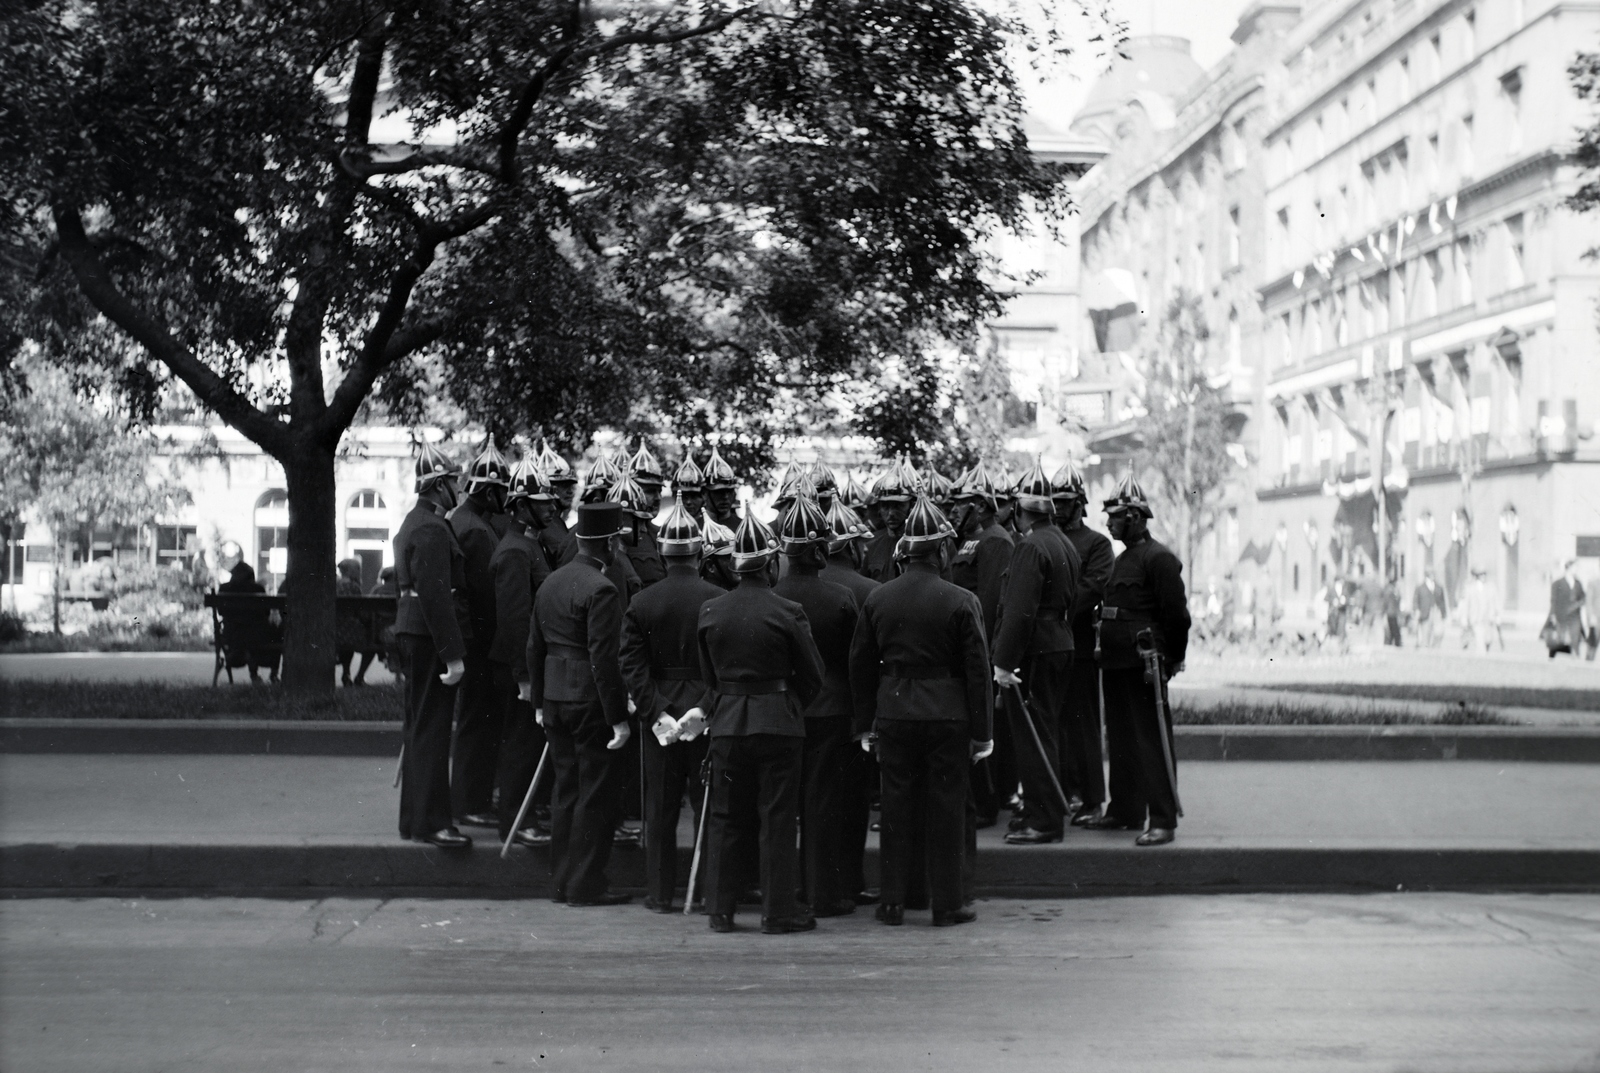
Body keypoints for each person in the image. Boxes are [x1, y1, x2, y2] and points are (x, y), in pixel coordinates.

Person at [850, 493, 992, 927]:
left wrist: (863, 723)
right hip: (947, 714)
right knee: (947, 809)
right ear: (943, 550)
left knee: (896, 808)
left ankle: (893, 901)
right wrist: (983, 732)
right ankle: (946, 904)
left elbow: (860, 664)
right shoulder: (961, 599)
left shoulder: (879, 598)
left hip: (894, 712)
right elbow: (978, 672)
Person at [697, 509, 825, 934]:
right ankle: (777, 912)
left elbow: (709, 677)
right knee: (777, 819)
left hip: (729, 722)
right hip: (778, 721)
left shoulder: (711, 610)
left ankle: (720, 910)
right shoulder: (788, 610)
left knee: (725, 817)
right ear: (771, 563)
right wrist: (786, 703)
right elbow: (813, 675)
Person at [521, 501, 634, 906]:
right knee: (594, 795)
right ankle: (586, 884)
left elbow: (534, 646)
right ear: (609, 543)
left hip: (553, 698)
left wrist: (537, 700)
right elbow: (605, 659)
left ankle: (562, 882)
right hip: (588, 701)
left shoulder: (551, 582)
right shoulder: (602, 589)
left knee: (566, 792)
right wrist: (618, 717)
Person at [618, 496, 722, 912]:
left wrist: (657, 711)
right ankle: (705, 888)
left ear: (662, 555)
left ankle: (659, 894)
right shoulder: (717, 597)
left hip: (659, 713)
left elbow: (631, 663)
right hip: (702, 713)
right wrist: (703, 707)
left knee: (659, 810)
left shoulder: (642, 601)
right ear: (699, 553)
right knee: (706, 809)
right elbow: (724, 664)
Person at [1083, 475, 1191, 846]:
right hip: (1114, 661)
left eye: (1114, 516)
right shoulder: (1123, 559)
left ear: (1134, 517)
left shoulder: (1158, 559)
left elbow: (1176, 616)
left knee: (1151, 741)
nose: (1109, 523)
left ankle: (1162, 819)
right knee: (1122, 740)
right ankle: (1125, 810)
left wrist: (1173, 658)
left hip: (1144, 664)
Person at [774, 492, 861, 918]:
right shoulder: (841, 596)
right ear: (821, 550)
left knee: (782, 807)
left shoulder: (772, 594)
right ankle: (823, 893)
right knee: (824, 806)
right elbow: (854, 660)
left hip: (785, 710)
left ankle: (787, 892)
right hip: (830, 710)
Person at [990, 458, 1081, 845]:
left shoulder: (1030, 547)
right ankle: (1042, 811)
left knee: (1033, 736)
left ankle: (1044, 820)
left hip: (1035, 650)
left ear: (1019, 510)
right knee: (1046, 731)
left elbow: (1019, 611)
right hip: (1058, 641)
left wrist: (1004, 662)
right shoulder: (1061, 542)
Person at [393, 444, 472, 848]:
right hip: (427, 636)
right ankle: (431, 821)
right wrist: (453, 654)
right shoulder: (431, 528)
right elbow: (437, 596)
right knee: (432, 729)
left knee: (421, 726)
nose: (458, 486)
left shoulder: (418, 522)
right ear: (440, 486)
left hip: (415, 632)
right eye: (453, 481)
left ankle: (415, 818)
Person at [817, 496, 880, 904]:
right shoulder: (870, 590)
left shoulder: (790, 586)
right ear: (854, 547)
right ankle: (849, 883)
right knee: (851, 804)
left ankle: (818, 884)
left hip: (803, 706)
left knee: (814, 802)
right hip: (850, 710)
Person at [449, 437, 513, 830]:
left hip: (475, 641)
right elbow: (486, 595)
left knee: (478, 721)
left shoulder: (467, 520)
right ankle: (469, 801)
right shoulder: (474, 529)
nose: (504, 500)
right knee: (478, 722)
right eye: (501, 492)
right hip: (481, 643)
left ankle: (470, 798)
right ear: (488, 490)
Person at [947, 461, 1015, 827]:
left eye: (963, 503)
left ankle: (987, 804)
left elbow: (988, 602)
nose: (955, 509)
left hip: (978, 648)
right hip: (962, 646)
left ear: (983, 506)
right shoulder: (970, 539)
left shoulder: (995, 541)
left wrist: (981, 651)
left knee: (982, 728)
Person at [492, 459, 555, 845]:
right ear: (520, 504)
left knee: (527, 743)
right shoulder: (516, 551)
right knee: (520, 743)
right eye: (540, 501)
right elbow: (515, 621)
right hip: (520, 665)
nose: (550, 507)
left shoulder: (529, 543)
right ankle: (515, 822)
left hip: (532, 661)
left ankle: (523, 815)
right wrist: (524, 676)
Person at [1052, 459, 1115, 828]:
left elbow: (1092, 588)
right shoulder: (1044, 538)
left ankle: (1092, 799)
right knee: (1055, 723)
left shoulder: (1096, 543)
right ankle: (1064, 792)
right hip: (1048, 645)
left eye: (1066, 501)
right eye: (1054, 501)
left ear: (1080, 503)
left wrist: (1055, 610)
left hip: (1078, 644)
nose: (1059, 508)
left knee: (1084, 724)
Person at [217, 561, 280, 683]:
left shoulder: (224, 588)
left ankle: (252, 670)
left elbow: (220, 611)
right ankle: (273, 674)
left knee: (248, 637)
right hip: (257, 634)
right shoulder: (258, 588)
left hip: (232, 633)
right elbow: (266, 613)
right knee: (277, 633)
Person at [863, 461, 915, 583]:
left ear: (911, 506)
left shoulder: (922, 543)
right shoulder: (870, 544)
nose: (891, 513)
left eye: (898, 506)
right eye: (885, 506)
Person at [335, 557, 379, 687]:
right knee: (372, 645)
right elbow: (360, 612)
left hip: (335, 628)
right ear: (352, 571)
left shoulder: (334, 584)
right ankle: (359, 677)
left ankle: (346, 673)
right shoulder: (354, 587)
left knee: (347, 644)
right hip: (350, 630)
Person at [537, 440, 579, 568]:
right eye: (563, 486)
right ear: (548, 487)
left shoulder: (557, 522)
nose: (570, 492)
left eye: (571, 486)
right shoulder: (547, 526)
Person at [1544, 559, 1587, 658]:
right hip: (1561, 615)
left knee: (1575, 638)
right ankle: (1554, 656)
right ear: (1568, 568)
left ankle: (1575, 657)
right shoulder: (1557, 583)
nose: (1577, 570)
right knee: (1559, 639)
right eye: (1575, 567)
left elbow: (1583, 597)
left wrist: (1578, 604)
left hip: (1575, 616)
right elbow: (1553, 601)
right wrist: (1553, 615)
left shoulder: (1578, 583)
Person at [703, 446, 742, 533]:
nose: (725, 497)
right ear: (704, 494)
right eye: (719, 492)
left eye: (729, 491)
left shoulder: (743, 527)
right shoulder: (694, 528)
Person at [674, 455, 707, 524]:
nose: (688, 502)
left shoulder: (709, 528)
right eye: (683, 496)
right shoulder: (669, 528)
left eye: (694, 496)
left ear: (703, 497)